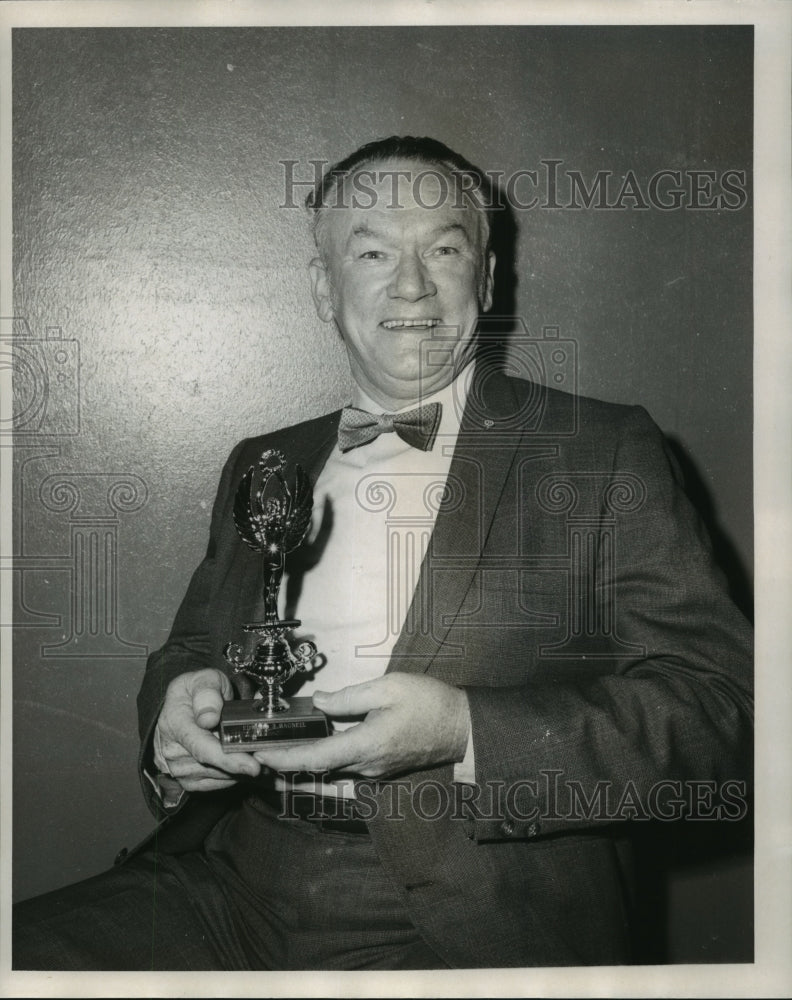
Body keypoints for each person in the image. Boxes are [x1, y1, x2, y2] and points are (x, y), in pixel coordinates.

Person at [13, 136, 753, 970]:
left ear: (489, 277)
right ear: (326, 286)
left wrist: (464, 731)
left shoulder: (602, 448)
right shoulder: (265, 459)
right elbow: (191, 650)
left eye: (443, 247)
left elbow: (724, 714)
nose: (411, 285)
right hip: (233, 876)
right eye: (372, 252)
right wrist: (177, 716)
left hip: (471, 915)